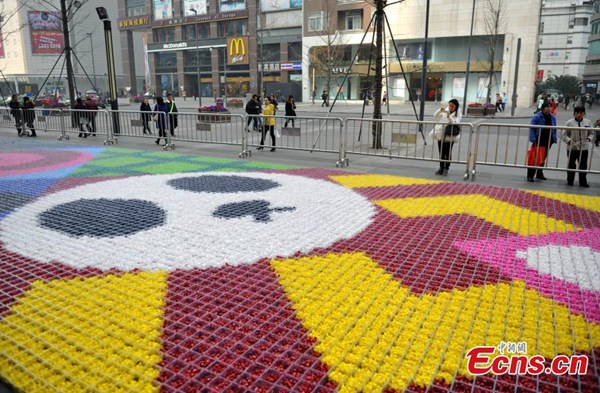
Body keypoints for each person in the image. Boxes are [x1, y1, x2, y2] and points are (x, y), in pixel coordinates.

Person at [563, 106, 594, 188]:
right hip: (572, 148)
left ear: (584, 113)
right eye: (577, 113)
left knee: (583, 165)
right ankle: (570, 180)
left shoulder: (588, 122)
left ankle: (583, 182)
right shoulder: (569, 123)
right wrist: (569, 141)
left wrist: (588, 139)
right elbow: (564, 135)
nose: (579, 115)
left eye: (581, 113)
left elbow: (592, 133)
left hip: (584, 148)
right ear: (575, 113)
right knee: (571, 165)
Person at [527, 102, 557, 182]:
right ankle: (530, 175)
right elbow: (532, 128)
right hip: (539, 139)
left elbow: (555, 128)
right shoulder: (537, 117)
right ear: (543, 108)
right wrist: (533, 138)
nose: (549, 109)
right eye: (547, 107)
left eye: (550, 107)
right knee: (535, 158)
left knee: (543, 158)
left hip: (548, 139)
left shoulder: (552, 117)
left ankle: (539, 174)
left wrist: (554, 138)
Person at [431, 98, 462, 176]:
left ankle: (446, 168)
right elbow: (435, 116)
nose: (450, 107)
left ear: (456, 106)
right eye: (449, 105)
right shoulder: (446, 110)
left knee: (447, 152)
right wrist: (440, 110)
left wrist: (449, 116)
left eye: (452, 106)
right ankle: (441, 168)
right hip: (441, 134)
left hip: (450, 134)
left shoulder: (458, 114)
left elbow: (455, 122)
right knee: (441, 152)